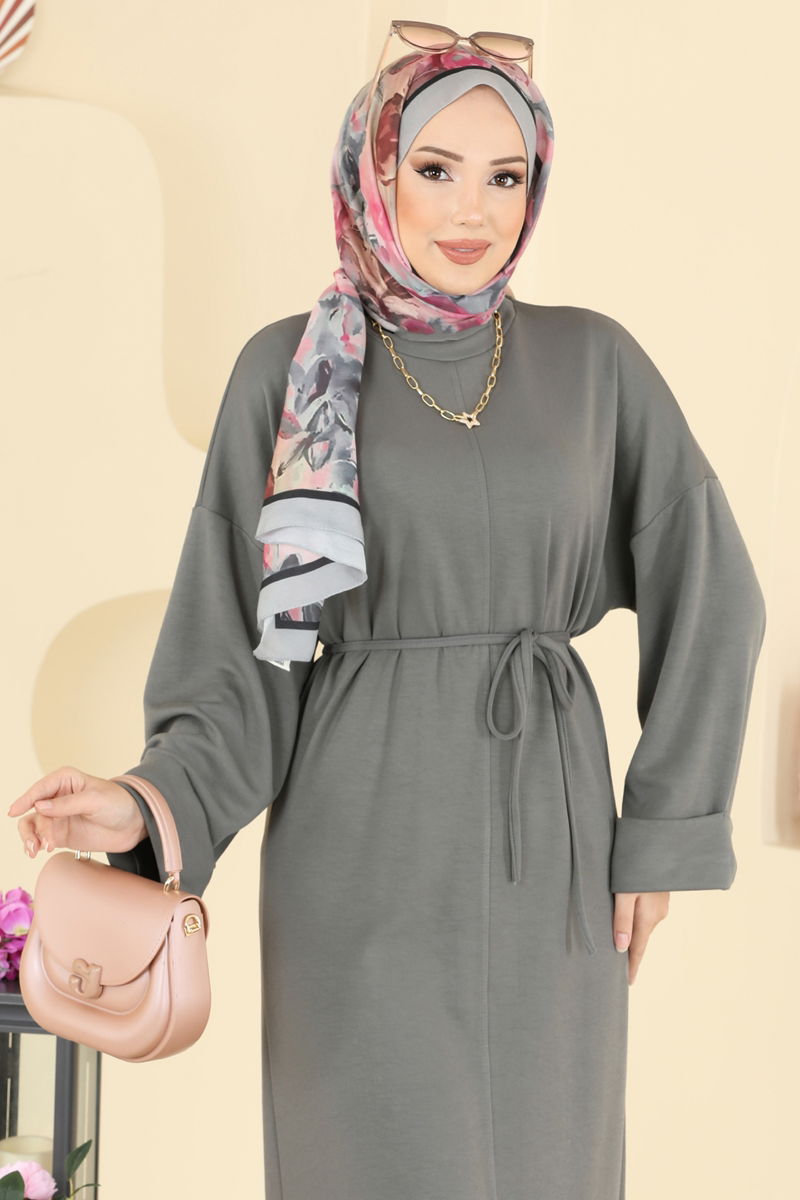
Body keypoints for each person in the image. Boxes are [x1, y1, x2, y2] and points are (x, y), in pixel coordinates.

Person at [7, 26, 767, 1200]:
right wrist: (143, 801)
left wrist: (659, 832)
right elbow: (239, 660)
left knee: (546, 1161)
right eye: (434, 168)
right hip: (356, 851)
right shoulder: (287, 374)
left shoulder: (594, 365)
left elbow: (714, 589)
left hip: (549, 853)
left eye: (504, 175)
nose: (472, 210)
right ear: (373, 170)